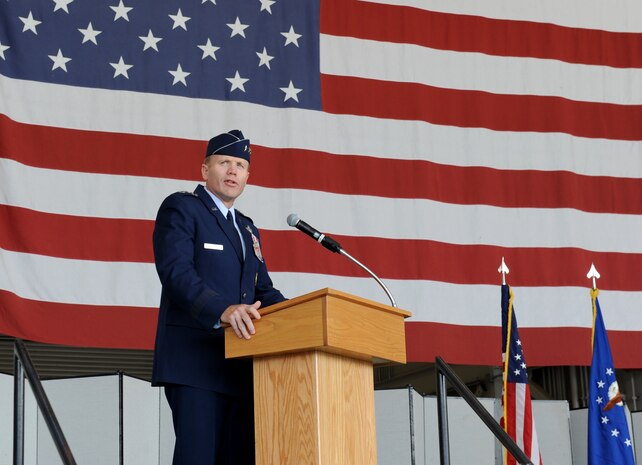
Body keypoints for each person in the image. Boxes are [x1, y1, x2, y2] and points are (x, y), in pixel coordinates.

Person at [151, 129, 286, 465]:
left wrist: (306, 314)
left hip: (241, 368)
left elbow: (263, 291)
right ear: (204, 170)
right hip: (195, 364)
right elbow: (176, 271)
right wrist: (221, 309)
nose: (232, 171)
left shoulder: (247, 228)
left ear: (247, 176)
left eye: (240, 165)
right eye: (224, 162)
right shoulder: (182, 208)